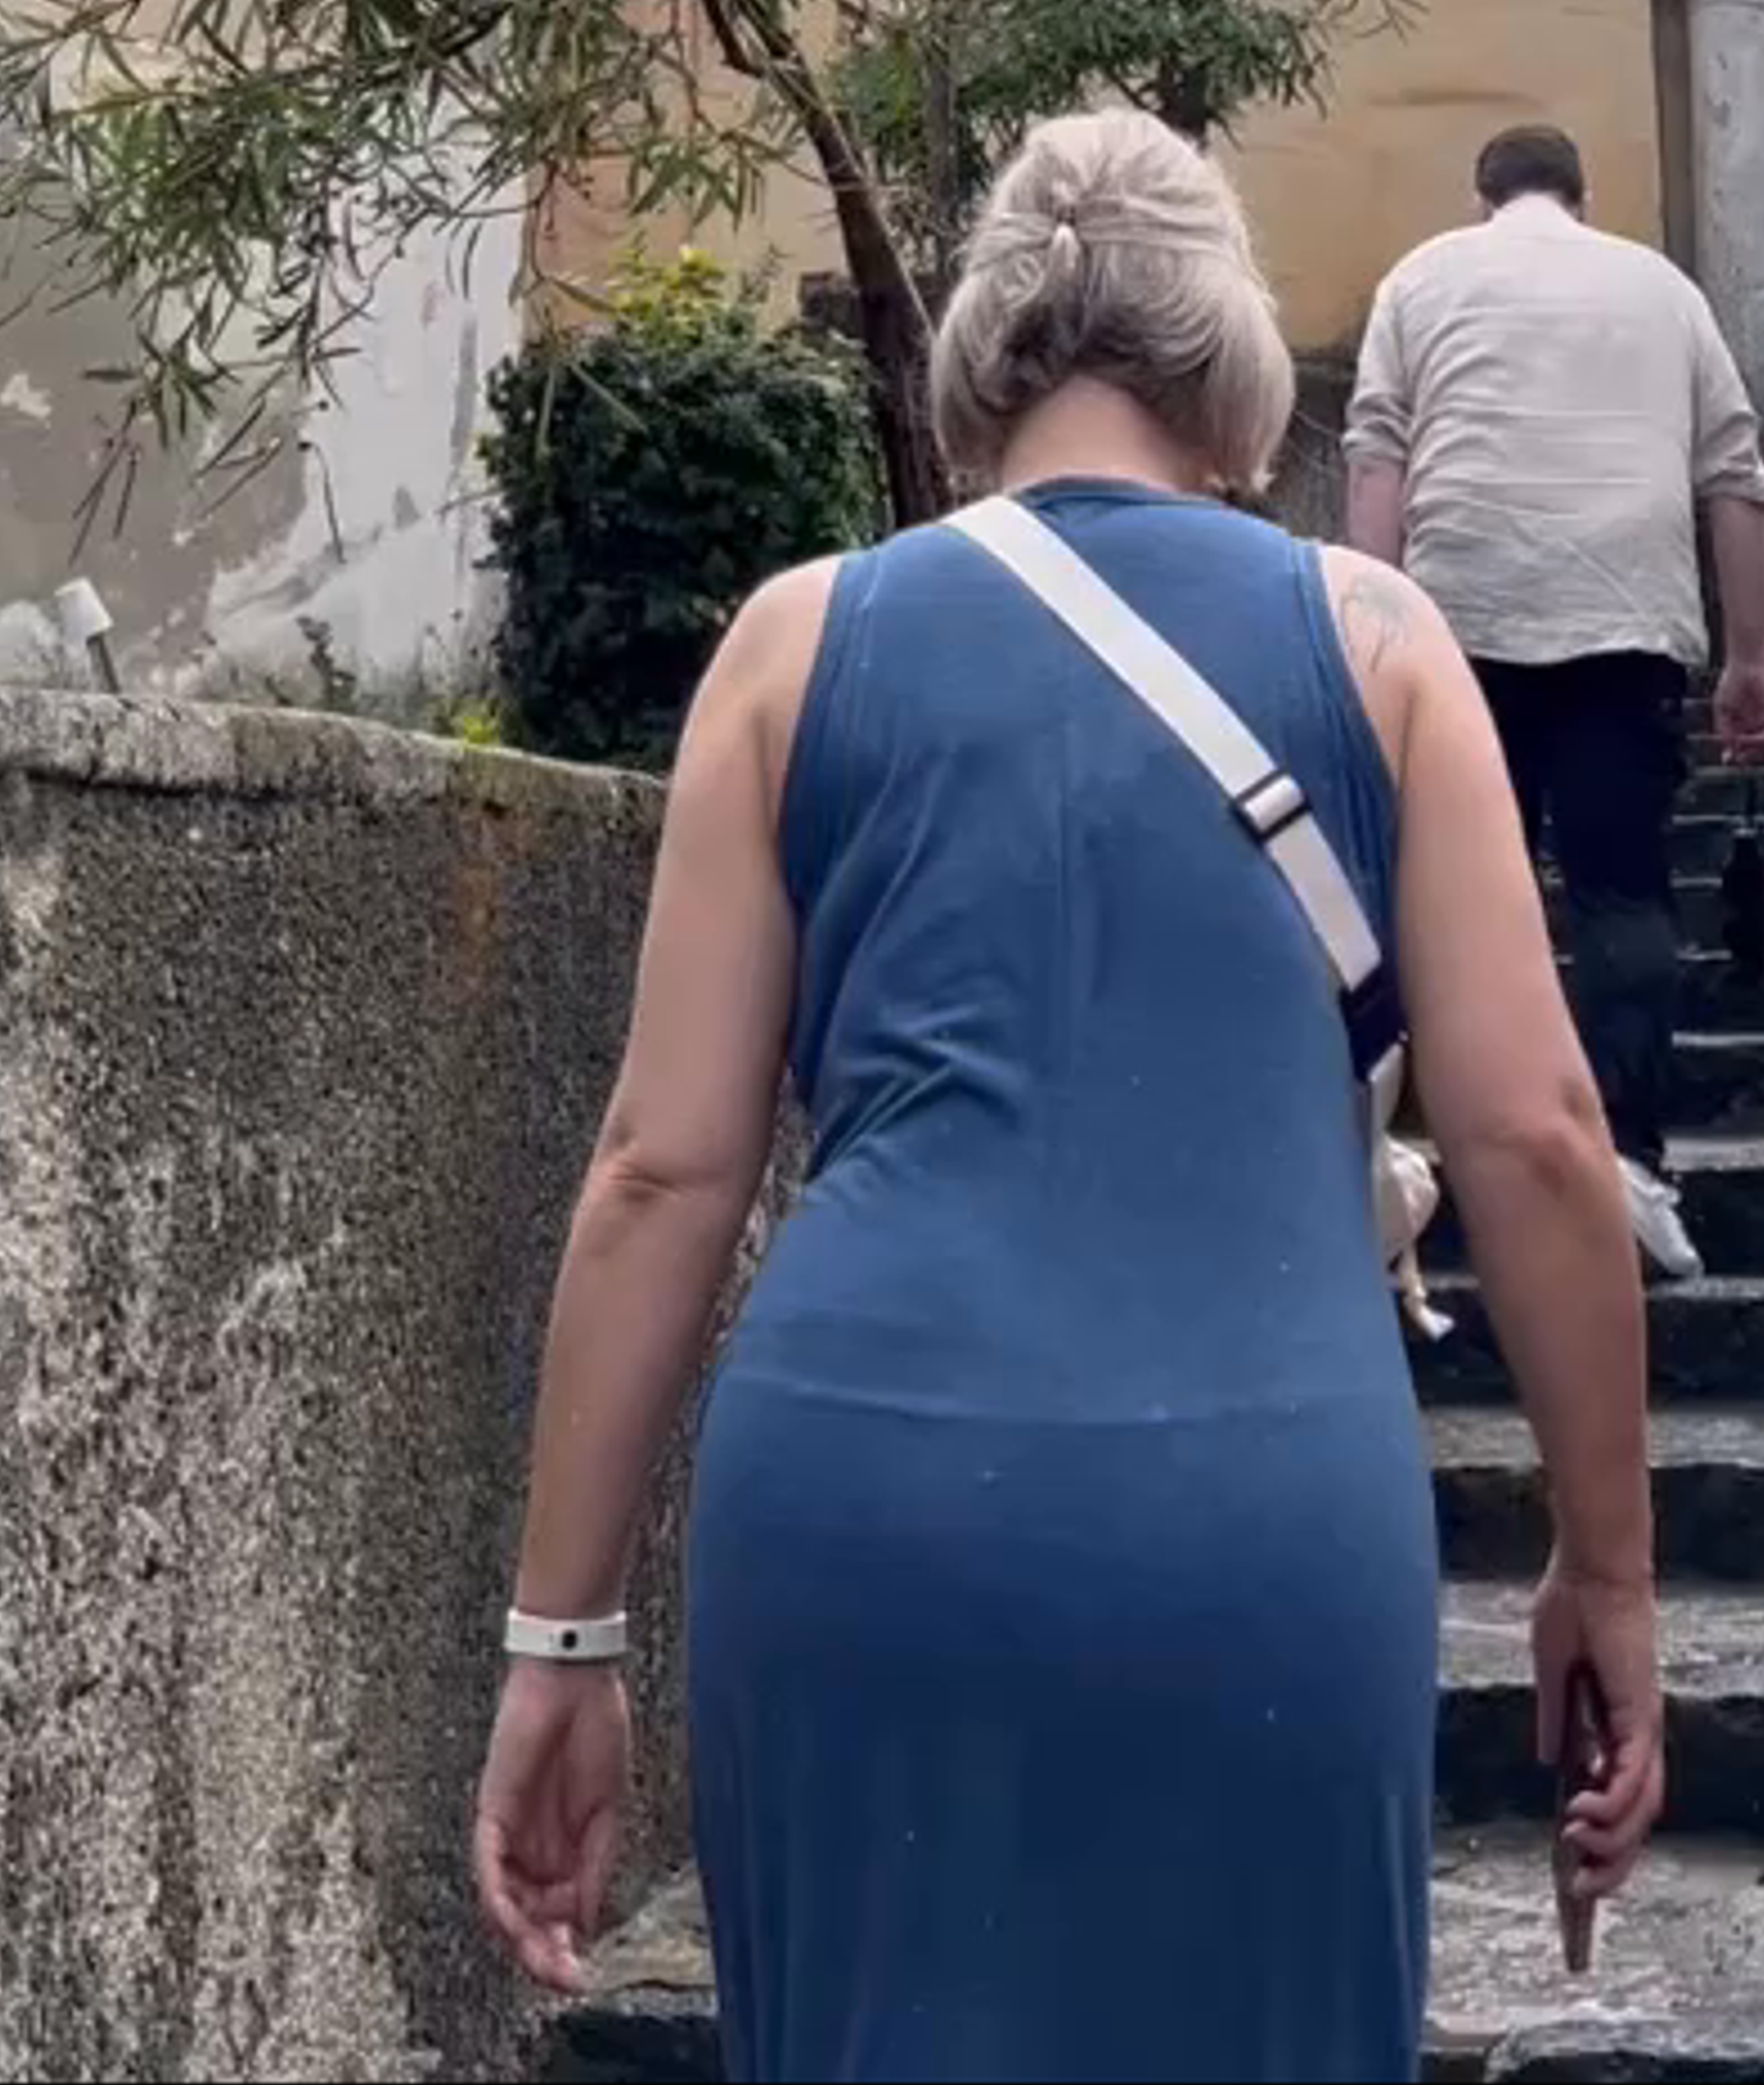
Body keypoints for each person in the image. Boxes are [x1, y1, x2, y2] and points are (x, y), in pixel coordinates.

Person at [471, 110, 1664, 2084]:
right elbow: (1536, 1135)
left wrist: (562, 1640)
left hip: (857, 1507)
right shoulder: (1373, 646)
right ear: (1231, 360)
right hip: (1258, 1509)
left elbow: (658, 1175)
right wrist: (1602, 1564)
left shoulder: (790, 648)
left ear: (978, 364)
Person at [1342, 119, 1764, 1290]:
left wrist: (1366, 644)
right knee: (1620, 893)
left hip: (1459, 627)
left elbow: (1378, 459)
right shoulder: (1662, 286)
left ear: (1481, 194)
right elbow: (1737, 474)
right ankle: (1631, 1162)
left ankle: (1440, 1161)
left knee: (1448, 900)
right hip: (1625, 622)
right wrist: (1751, 658)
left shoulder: (1423, 275)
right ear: (1581, 196)